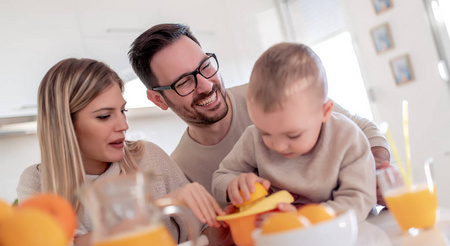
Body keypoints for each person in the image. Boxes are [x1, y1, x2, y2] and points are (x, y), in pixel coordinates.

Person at [128, 23, 390, 207]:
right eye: (184, 82)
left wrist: (375, 167)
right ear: (158, 99)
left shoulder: (270, 96)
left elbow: (361, 129)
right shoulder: (183, 170)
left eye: (205, 66)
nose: (206, 85)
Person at [16, 58, 230, 246]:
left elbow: (199, 234)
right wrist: (156, 208)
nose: (123, 125)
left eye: (123, 111)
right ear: (65, 125)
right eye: (104, 116)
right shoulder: (37, 184)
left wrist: (218, 234)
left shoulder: (149, 157)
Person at [212, 43, 376, 222]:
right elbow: (221, 177)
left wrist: (303, 219)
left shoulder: (346, 137)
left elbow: (360, 199)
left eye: (293, 135)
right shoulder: (253, 138)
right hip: (283, 238)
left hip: (350, 234)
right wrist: (233, 186)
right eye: (265, 133)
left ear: (325, 111)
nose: (279, 146)